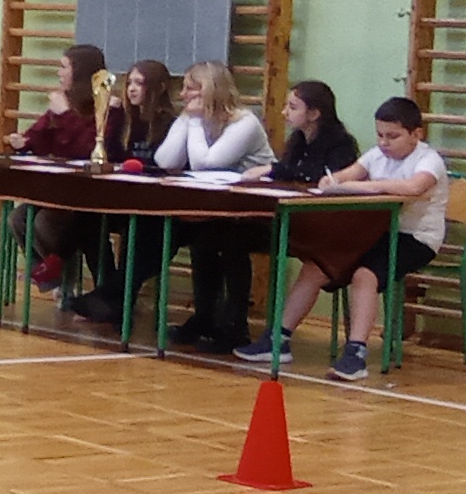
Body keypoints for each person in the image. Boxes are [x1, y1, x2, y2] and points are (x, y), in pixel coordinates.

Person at [235, 96, 450, 381]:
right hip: (375, 232)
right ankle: (278, 340)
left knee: (364, 275)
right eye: (380, 135)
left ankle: (355, 353)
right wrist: (333, 181)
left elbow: (413, 188)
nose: (384, 143)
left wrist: (368, 186)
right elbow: (345, 176)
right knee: (316, 265)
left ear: (416, 134)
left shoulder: (429, 160)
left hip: (415, 238)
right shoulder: (376, 155)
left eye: (393, 136)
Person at [214, 79, 363, 360]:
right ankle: (231, 322)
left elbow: (319, 178)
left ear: (314, 113)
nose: (284, 113)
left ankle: (274, 336)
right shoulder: (297, 141)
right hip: (290, 221)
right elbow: (289, 171)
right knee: (228, 238)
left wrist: (273, 170)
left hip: (320, 228)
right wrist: (273, 172)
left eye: (293, 107)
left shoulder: (341, 144)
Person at [143, 61, 269, 348]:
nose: (183, 95)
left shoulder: (245, 122)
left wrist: (195, 121)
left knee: (227, 239)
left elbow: (206, 164)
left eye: (191, 89)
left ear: (210, 90)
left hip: (257, 215)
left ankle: (234, 325)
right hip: (219, 212)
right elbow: (165, 161)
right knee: (200, 237)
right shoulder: (192, 118)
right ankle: (205, 318)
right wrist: (188, 121)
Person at [64, 60, 182, 324]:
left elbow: (168, 165)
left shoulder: (170, 123)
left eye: (139, 83)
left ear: (159, 88)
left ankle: (110, 297)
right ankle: (107, 291)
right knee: (86, 219)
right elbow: (111, 154)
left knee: (141, 231)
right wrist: (112, 116)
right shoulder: (125, 120)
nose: (132, 89)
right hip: (123, 198)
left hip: (154, 204)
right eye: (129, 83)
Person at [10, 41, 106, 294]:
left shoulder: (102, 106)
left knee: (45, 224)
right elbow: (41, 138)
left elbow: (88, 148)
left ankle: (60, 273)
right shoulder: (62, 104)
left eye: (64, 67)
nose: (59, 73)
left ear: (80, 72)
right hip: (59, 188)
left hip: (87, 191)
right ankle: (48, 273)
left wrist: (65, 115)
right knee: (17, 219)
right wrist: (24, 142)